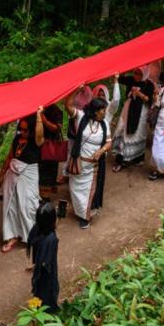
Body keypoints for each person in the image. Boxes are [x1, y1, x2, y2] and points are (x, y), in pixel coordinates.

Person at [0, 108, 44, 253]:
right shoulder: (17, 139)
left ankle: (33, 236)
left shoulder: (36, 141)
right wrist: (1, 174)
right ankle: (12, 235)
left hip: (28, 174)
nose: (23, 132)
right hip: (12, 174)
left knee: (28, 206)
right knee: (11, 205)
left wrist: (38, 116)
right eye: (21, 130)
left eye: (26, 130)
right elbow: (10, 156)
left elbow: (39, 135)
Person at [65, 93, 112, 228]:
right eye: (103, 110)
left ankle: (86, 217)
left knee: (89, 191)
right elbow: (67, 106)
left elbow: (109, 142)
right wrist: (76, 90)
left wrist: (101, 151)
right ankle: (81, 212)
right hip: (78, 163)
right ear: (95, 111)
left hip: (93, 167)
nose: (104, 112)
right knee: (75, 189)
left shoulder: (105, 125)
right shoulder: (80, 117)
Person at [112, 67, 154, 171]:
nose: (136, 76)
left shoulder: (148, 84)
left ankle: (138, 158)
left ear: (144, 73)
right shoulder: (131, 80)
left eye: (139, 74)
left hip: (141, 112)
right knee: (123, 132)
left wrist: (139, 94)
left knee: (139, 134)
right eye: (135, 73)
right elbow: (120, 78)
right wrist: (126, 67)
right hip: (128, 109)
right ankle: (121, 160)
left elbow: (149, 99)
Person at [90, 76, 120, 212]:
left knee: (97, 173)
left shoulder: (109, 109)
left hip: (103, 145)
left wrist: (116, 82)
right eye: (99, 94)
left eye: (103, 94)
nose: (101, 96)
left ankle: (94, 201)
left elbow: (117, 100)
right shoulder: (90, 112)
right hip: (89, 145)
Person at [26, 202, 59, 312]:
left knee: (38, 292)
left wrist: (35, 266)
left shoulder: (37, 230)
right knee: (49, 295)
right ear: (52, 222)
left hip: (38, 273)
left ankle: (34, 309)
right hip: (46, 273)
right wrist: (38, 266)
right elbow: (47, 262)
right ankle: (47, 317)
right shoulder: (51, 239)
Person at [38, 104, 64, 199]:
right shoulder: (40, 108)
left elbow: (56, 128)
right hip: (40, 144)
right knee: (41, 170)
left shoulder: (56, 110)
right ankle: (43, 193)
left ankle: (46, 195)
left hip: (51, 144)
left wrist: (43, 119)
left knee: (49, 169)